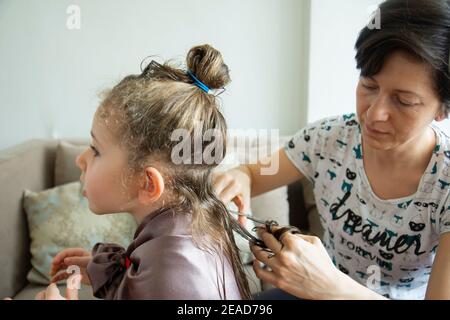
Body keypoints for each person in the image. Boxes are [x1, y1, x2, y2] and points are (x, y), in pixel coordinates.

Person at [213, 0, 450, 300]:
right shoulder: (328, 140)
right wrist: (240, 178)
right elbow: (250, 174)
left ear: (442, 108)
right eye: (369, 86)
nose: (375, 114)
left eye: (403, 101)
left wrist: (330, 286)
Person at [45, 44, 251, 300]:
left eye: (96, 150)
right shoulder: (184, 233)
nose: (80, 159)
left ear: (147, 184)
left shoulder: (173, 271)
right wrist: (103, 271)